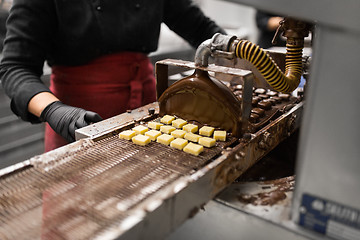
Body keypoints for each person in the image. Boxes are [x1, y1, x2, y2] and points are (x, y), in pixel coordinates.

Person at [0, 0, 226, 152]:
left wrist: (243, 54)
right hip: (76, 120)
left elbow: (201, 29)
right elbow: (16, 68)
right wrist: (54, 111)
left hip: (146, 109)